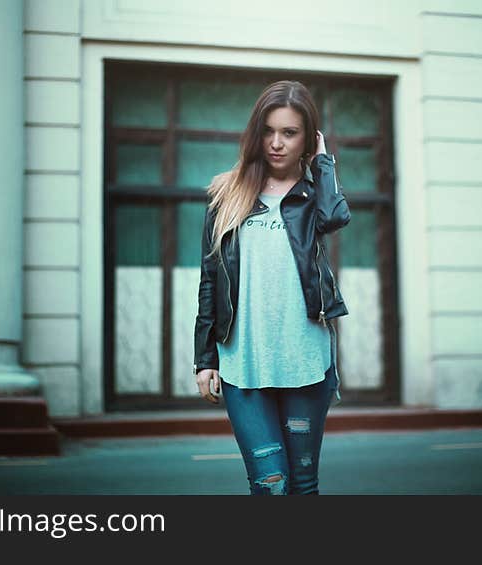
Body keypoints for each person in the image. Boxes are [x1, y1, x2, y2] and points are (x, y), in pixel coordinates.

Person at [193, 80, 350, 495]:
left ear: (307, 139)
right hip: (243, 364)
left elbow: (336, 219)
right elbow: (211, 278)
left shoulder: (316, 193)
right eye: (268, 131)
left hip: (305, 363)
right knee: (270, 486)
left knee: (301, 485)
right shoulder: (227, 193)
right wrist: (204, 357)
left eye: (290, 133)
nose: (276, 143)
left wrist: (323, 164)